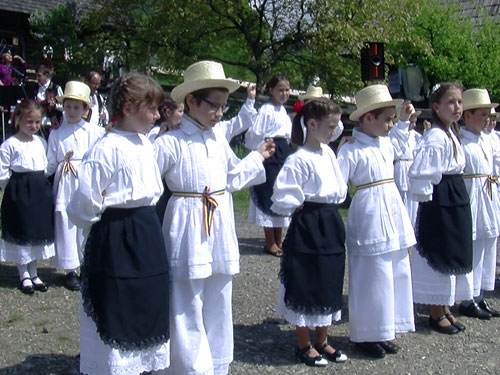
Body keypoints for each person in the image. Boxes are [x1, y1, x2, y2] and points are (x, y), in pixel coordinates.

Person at [154, 60, 275, 375]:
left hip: (218, 221)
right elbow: (148, 183)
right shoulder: (170, 141)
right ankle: (188, 367)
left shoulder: (218, 137)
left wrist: (256, 157)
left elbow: (232, 178)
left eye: (223, 106)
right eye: (214, 106)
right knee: (186, 297)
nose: (220, 113)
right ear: (191, 101)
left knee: (219, 293)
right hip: (185, 222)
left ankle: (217, 363)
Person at [67, 72, 170, 375]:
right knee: (116, 301)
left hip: (147, 230)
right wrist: (104, 226)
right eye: (150, 109)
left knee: (147, 297)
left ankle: (140, 366)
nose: (156, 115)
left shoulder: (143, 143)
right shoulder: (105, 149)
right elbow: (84, 203)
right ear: (128, 108)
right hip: (116, 234)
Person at [337, 84, 416, 358]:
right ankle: (366, 334)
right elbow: (337, 183)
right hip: (369, 210)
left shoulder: (385, 142)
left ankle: (386, 328)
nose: (390, 124)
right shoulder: (351, 149)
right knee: (372, 273)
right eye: (386, 119)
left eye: (391, 119)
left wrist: (402, 122)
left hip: (391, 205)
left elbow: (402, 141)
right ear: (367, 118)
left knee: (395, 269)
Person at [271, 99, 348, 367]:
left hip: (330, 219)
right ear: (312, 125)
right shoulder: (299, 158)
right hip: (310, 222)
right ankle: (303, 343)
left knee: (328, 276)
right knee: (306, 277)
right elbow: (281, 194)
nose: (334, 130)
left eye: (335, 126)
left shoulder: (327, 151)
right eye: (330, 126)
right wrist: (295, 202)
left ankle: (323, 340)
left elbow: (332, 130)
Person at [408, 82, 473, 334]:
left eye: (459, 102)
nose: (457, 107)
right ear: (436, 107)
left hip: (453, 196)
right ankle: (435, 312)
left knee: (451, 248)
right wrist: (430, 198)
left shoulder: (450, 133)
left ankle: (444, 306)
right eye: (450, 102)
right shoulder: (435, 136)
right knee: (439, 248)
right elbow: (422, 172)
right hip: (441, 199)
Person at [46, 81, 105, 291]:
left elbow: (99, 157)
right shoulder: (56, 133)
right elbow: (51, 161)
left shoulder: (94, 132)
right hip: (65, 181)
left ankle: (85, 265)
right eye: (68, 107)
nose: (71, 112)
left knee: (84, 221)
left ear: (85, 110)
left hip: (83, 179)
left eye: (76, 107)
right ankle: (70, 268)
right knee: (64, 219)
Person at [0, 100, 54, 294]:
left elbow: (46, 166)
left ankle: (34, 272)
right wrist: (10, 190)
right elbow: (2, 171)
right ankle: (23, 274)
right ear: (17, 120)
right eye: (29, 122)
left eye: (37, 122)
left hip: (39, 191)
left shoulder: (41, 141)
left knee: (35, 233)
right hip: (20, 192)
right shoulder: (10, 144)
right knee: (21, 232)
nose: (34, 126)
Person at [458, 88, 500, 319]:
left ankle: (480, 292)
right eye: (482, 114)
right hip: (472, 194)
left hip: (488, 193)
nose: (487, 119)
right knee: (472, 245)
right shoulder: (463, 141)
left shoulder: (486, 140)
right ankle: (467, 297)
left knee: (487, 242)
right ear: (468, 115)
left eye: (488, 115)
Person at [245, 75, 292, 256]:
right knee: (268, 193)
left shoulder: (282, 111)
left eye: (287, 90)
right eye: (280, 89)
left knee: (280, 192)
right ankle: (270, 241)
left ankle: (278, 240)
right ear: (271, 90)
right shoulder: (266, 110)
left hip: (283, 152)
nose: (284, 93)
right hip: (270, 153)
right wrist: (264, 144)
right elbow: (255, 133)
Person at [388, 102, 422, 226]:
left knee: (414, 202)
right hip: (400, 167)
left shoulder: (416, 136)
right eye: (410, 121)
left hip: (412, 168)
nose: (412, 124)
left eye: (414, 121)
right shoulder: (393, 133)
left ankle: (412, 226)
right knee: (402, 199)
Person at [35, 65, 63, 133]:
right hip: (39, 124)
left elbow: (64, 106)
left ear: (46, 75)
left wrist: (55, 106)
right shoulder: (36, 88)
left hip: (53, 124)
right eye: (36, 76)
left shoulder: (56, 88)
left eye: (39, 76)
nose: (37, 78)